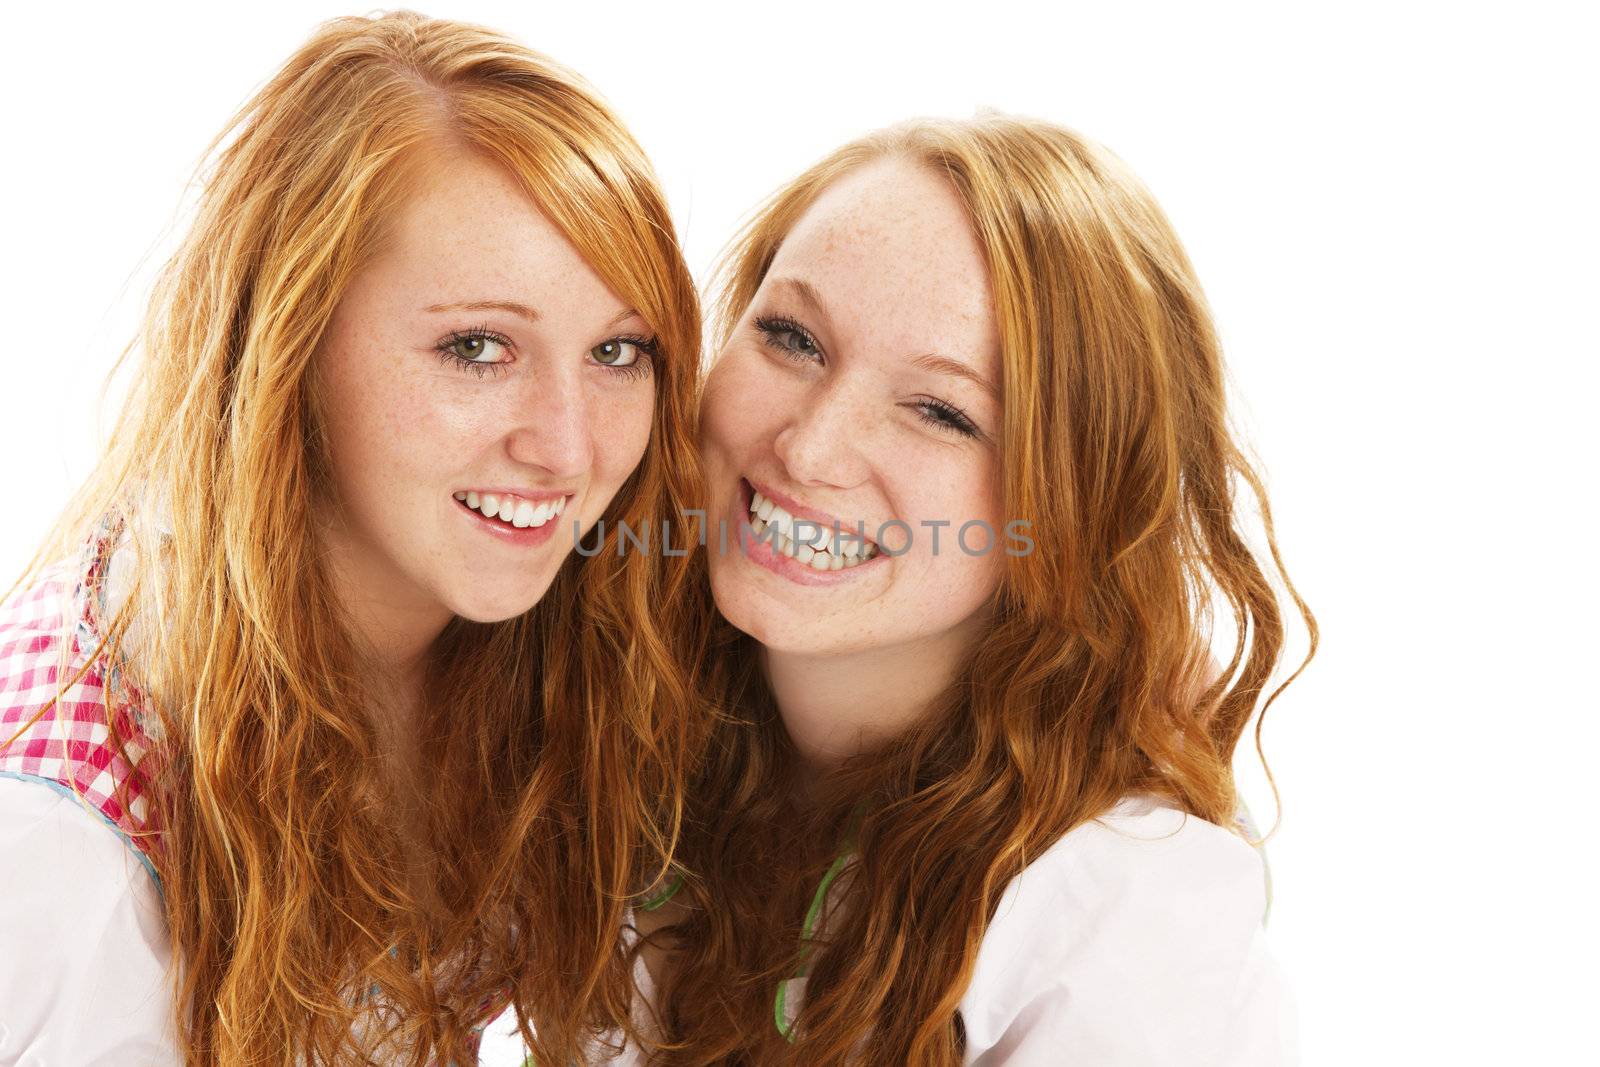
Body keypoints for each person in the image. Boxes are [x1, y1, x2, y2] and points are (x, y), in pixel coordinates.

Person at [0, 11, 706, 1065]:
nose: (567, 448)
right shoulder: (54, 852)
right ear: (287, 340)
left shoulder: (553, 625)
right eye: (476, 346)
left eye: (617, 349)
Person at [631, 114, 1317, 1064]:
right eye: (791, 336)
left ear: (1076, 502)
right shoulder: (636, 733)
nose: (810, 447)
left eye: (943, 411)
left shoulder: (1118, 902)